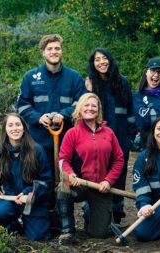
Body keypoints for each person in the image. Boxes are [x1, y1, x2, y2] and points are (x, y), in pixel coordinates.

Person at [16, 33, 87, 179]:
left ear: (61, 51)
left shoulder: (74, 77)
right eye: (49, 49)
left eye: (57, 48)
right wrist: (38, 117)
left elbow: (82, 103)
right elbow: (22, 106)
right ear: (43, 52)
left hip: (67, 139)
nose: (54, 52)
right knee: (43, 182)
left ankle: (65, 201)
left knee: (66, 185)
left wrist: (64, 114)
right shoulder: (30, 77)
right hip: (38, 141)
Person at [57, 93, 124, 243]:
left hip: (100, 187)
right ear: (80, 109)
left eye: (94, 105)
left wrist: (108, 180)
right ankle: (67, 231)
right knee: (62, 189)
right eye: (86, 105)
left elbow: (119, 159)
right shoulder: (72, 133)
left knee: (99, 234)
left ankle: (89, 212)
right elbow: (63, 159)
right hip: (79, 184)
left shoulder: (109, 133)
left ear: (99, 110)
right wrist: (70, 174)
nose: (90, 108)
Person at [84, 47, 137, 225]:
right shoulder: (91, 84)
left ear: (110, 60)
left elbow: (131, 113)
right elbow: (86, 112)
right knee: (97, 174)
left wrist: (129, 139)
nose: (101, 62)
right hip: (98, 140)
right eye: (97, 59)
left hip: (121, 138)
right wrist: (89, 91)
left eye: (104, 58)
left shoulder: (123, 83)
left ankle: (116, 215)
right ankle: (94, 213)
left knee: (119, 175)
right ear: (93, 64)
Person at [0, 113, 52, 240]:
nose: (14, 128)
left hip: (32, 200)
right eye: (10, 125)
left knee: (38, 236)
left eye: (18, 124)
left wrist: (28, 193)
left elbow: (46, 180)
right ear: (5, 130)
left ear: (24, 128)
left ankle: (35, 222)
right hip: (10, 198)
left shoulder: (37, 150)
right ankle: (14, 227)